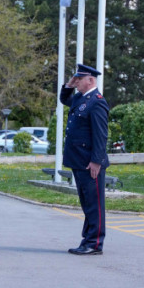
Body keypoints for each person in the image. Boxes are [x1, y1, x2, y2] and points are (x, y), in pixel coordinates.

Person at [59, 63, 110, 255]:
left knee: (94, 204)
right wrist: (69, 85)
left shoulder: (97, 102)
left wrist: (96, 161)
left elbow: (101, 135)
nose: (77, 82)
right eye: (76, 79)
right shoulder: (81, 98)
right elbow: (64, 99)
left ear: (91, 80)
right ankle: (87, 240)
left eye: (79, 79)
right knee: (87, 203)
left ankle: (94, 243)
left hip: (90, 163)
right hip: (79, 160)